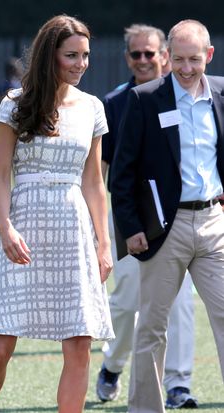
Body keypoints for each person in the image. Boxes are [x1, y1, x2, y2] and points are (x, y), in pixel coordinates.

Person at [0, 14, 114, 413]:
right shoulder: (14, 104)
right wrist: (5, 228)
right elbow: (0, 176)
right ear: (49, 56)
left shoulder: (92, 107)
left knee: (79, 348)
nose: (81, 64)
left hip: (74, 231)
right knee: (0, 348)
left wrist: (104, 243)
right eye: (71, 55)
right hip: (22, 228)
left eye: (86, 55)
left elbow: (94, 182)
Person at [111, 19, 224, 413]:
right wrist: (131, 228)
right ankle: (145, 408)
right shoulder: (145, 99)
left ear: (208, 55)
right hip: (164, 229)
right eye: (179, 59)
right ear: (168, 57)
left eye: (195, 59)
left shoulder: (222, 92)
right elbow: (121, 173)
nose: (187, 68)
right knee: (152, 327)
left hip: (213, 222)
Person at [97, 24, 198, 409]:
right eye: (135, 54)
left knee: (180, 304)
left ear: (164, 56)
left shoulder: (187, 96)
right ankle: (112, 364)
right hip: (131, 216)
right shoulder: (116, 102)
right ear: (127, 58)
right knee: (125, 304)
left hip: (180, 218)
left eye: (150, 53)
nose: (143, 60)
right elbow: (102, 168)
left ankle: (177, 384)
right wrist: (100, 224)